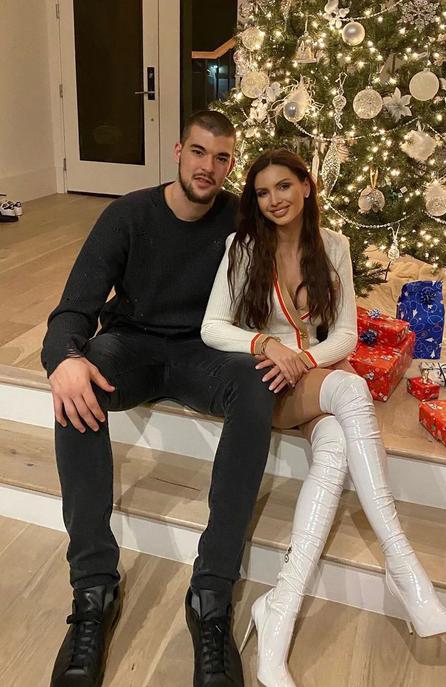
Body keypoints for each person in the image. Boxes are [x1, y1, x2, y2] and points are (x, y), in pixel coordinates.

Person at [201, 149, 446, 687]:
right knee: (351, 387)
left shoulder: (335, 246)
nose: (274, 200)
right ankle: (405, 568)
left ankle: (278, 611)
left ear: (307, 185)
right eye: (262, 192)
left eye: (283, 186)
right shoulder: (242, 247)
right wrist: (267, 346)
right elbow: (212, 327)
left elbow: (345, 334)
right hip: (265, 384)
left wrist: (303, 359)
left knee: (337, 447)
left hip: (309, 375)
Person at [41, 110, 278, 687]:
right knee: (78, 382)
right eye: (199, 152)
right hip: (133, 347)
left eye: (222, 158)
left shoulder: (241, 220)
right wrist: (63, 358)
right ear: (178, 151)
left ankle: (211, 597)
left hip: (205, 352)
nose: (208, 167)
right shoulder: (128, 215)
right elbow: (74, 307)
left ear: (231, 164)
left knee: (256, 385)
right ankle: (93, 590)